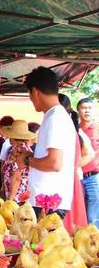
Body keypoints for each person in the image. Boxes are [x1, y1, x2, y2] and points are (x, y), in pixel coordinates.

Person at [17, 67, 76, 218]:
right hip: (47, 202)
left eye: (29, 94)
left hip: (47, 204)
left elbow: (54, 163)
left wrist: (27, 160)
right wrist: (30, 155)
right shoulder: (57, 116)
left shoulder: (55, 118)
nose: (31, 100)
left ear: (35, 91)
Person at [59, 94, 89, 232]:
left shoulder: (70, 131)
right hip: (69, 179)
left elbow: (91, 155)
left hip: (69, 179)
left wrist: (73, 166)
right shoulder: (69, 129)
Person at [1, 120, 36, 203]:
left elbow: (17, 178)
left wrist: (10, 200)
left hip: (17, 198)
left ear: (12, 137)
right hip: (16, 196)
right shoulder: (19, 149)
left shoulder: (19, 151)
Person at [77, 97, 99, 226]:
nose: (87, 111)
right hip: (78, 176)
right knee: (80, 213)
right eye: (84, 108)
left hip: (93, 177)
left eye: (90, 108)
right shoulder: (75, 129)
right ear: (78, 110)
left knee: (93, 217)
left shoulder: (97, 129)